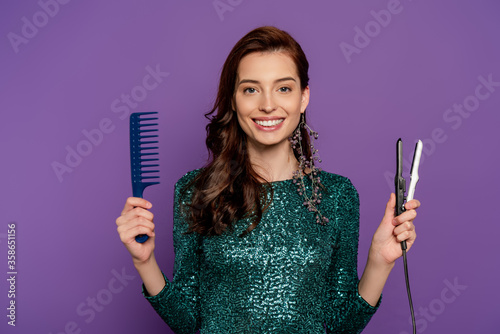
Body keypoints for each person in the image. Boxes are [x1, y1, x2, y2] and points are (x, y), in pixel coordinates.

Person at [116, 26, 420, 333]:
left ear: (304, 98)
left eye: (283, 88)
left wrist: (381, 261)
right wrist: (145, 262)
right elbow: (186, 321)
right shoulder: (195, 191)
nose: (268, 104)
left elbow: (342, 325)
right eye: (251, 89)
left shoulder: (336, 195)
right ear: (233, 100)